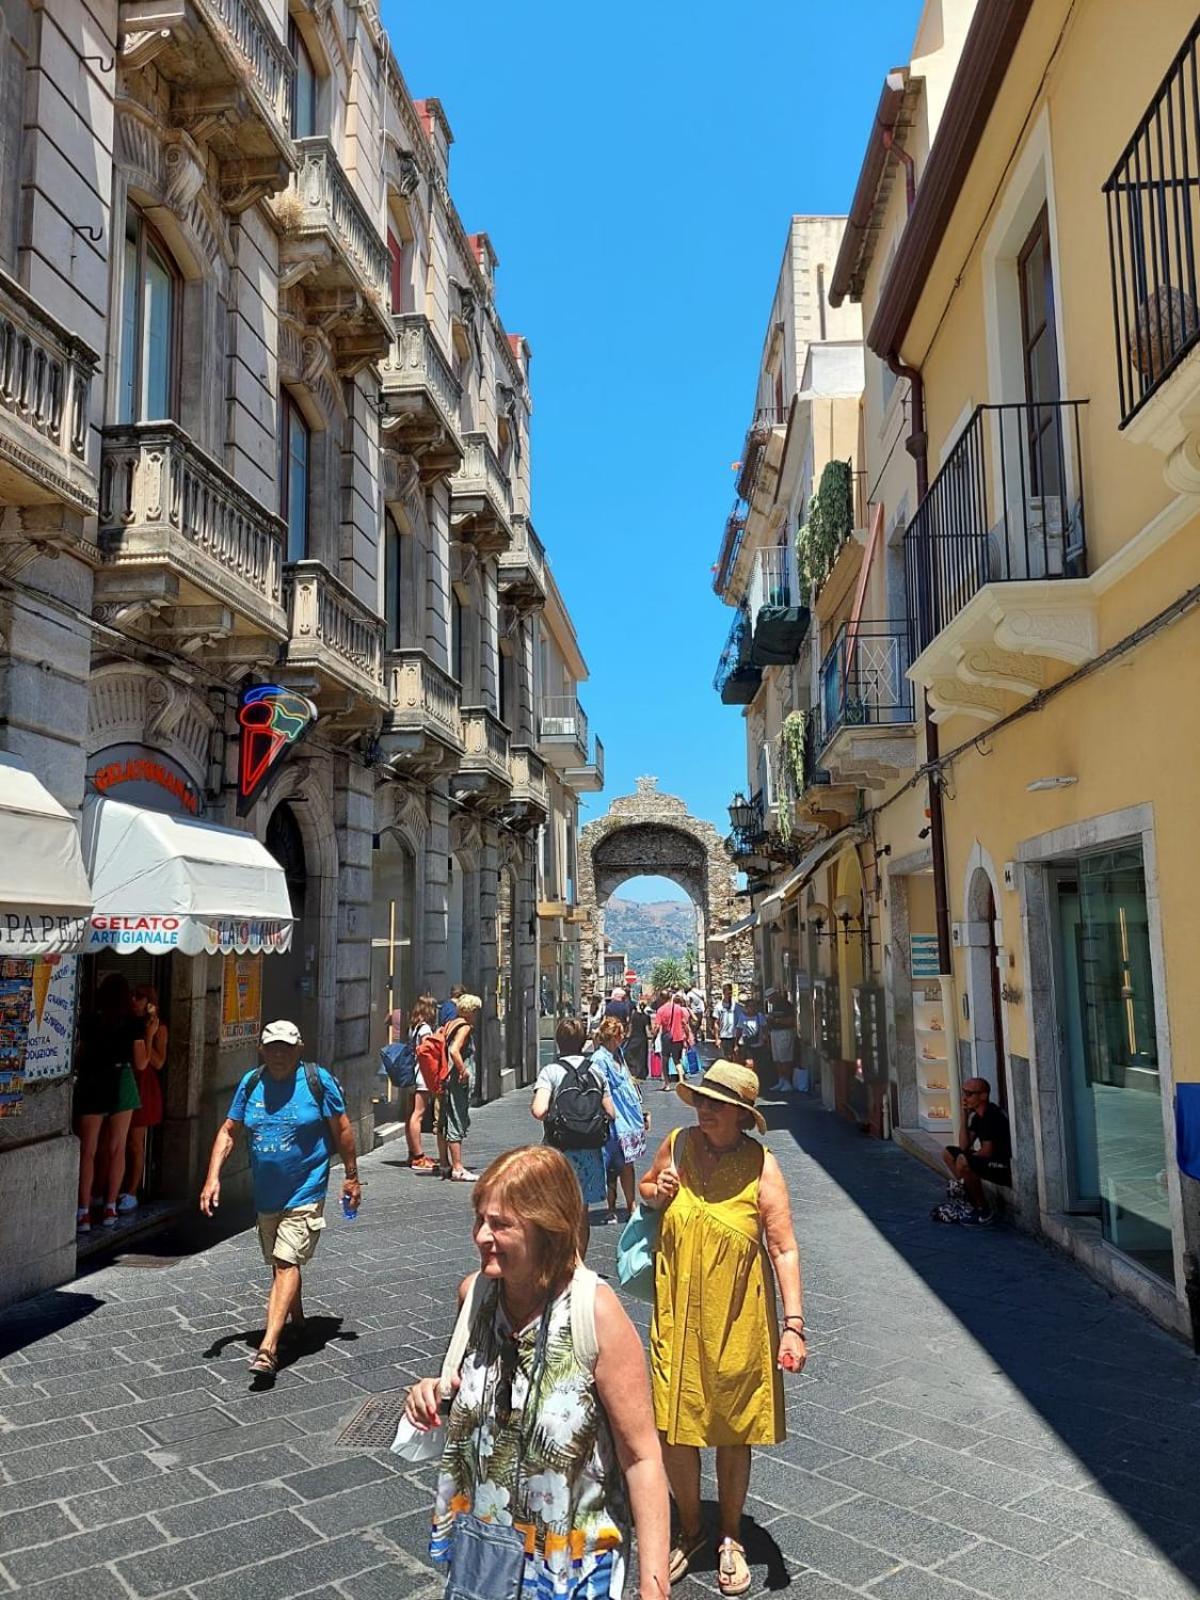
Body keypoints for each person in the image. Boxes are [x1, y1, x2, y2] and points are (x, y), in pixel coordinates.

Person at [404, 1146, 670, 1600]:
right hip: (483, 1555)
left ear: (547, 1228)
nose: (482, 1236)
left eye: (501, 1224)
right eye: (480, 1220)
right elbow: (470, 1392)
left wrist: (654, 1587)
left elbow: (642, 1458)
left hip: (569, 1569)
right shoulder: (476, 1296)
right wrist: (429, 1393)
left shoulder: (594, 1313)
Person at [639, 1060, 806, 1596]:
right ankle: (690, 1528)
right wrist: (655, 1190)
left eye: (714, 1103)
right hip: (676, 1308)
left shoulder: (762, 1164)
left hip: (738, 1312)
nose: (702, 1108)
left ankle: (730, 1535)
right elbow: (645, 1190)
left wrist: (794, 1326)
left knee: (734, 1423)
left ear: (739, 1114)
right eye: (702, 1100)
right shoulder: (679, 1143)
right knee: (671, 1420)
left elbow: (782, 1247)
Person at [199, 1019, 361, 1379]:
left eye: (285, 1047)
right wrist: (212, 1178)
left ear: (298, 1049)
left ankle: (269, 1348)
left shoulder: (317, 1081)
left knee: (286, 1261)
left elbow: (343, 1129)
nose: (278, 1054)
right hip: (267, 1193)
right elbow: (229, 1131)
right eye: (271, 1046)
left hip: (306, 1187)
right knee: (280, 1262)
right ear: (261, 1049)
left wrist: (351, 1177)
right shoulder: (251, 1083)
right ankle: (298, 1319)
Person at [532, 1017, 617, 1256]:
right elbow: (611, 1112)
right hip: (589, 1150)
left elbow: (538, 1110)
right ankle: (578, 1262)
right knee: (582, 1211)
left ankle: (557, 1260)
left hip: (560, 1150)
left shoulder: (551, 1071)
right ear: (584, 1041)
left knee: (556, 1206)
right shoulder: (597, 1071)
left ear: (558, 1042)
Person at [74, 973, 146, 1232]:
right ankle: (110, 1207)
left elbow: (80, 1052)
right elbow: (142, 1063)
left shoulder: (89, 1019)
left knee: (88, 1150)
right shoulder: (134, 1023)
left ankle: (83, 1211)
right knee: (118, 1148)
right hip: (121, 1077)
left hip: (93, 1080)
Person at [592, 1015, 647, 1224]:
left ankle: (631, 1203)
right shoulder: (600, 1058)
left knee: (627, 1162)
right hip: (614, 1115)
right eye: (621, 1034)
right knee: (612, 1163)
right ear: (613, 1036)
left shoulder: (619, 1054)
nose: (624, 1037)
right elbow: (599, 1088)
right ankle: (611, 1206)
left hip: (629, 1115)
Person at [936, 1078, 1013, 1225]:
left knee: (963, 1161)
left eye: (969, 1094)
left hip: (1002, 1165)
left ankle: (983, 1209)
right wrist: (965, 1115)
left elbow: (987, 1151)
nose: (965, 1098)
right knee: (949, 1153)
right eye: (964, 1093)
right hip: (989, 1160)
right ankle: (970, 1200)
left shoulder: (992, 1115)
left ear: (983, 1096)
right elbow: (964, 1145)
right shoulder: (978, 1116)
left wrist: (966, 1160)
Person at [119, 984, 168, 1211]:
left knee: (135, 1142)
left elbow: (157, 1062)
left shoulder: (158, 1029)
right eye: (132, 995)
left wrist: (148, 1036)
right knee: (118, 1140)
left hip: (144, 1085)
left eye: (139, 997)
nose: (134, 1000)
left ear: (150, 1003)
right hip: (125, 1079)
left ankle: (132, 1191)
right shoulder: (126, 1023)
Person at [437, 994, 481, 1182]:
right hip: (456, 1081)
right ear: (471, 1011)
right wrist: (463, 1071)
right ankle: (458, 1167)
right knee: (456, 1119)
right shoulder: (464, 1027)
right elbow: (454, 1050)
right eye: (477, 1011)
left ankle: (444, 1163)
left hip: (447, 1079)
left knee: (444, 1122)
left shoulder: (451, 1024)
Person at [403, 996, 438, 1171]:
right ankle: (418, 1157)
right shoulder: (425, 1029)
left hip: (412, 1074)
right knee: (418, 1114)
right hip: (422, 1075)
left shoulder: (414, 1027)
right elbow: (426, 1052)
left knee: (411, 1115)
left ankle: (413, 1152)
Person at [653, 991, 690, 1091]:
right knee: (677, 1061)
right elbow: (684, 1023)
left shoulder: (660, 1010)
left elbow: (656, 1026)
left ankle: (667, 1084)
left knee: (665, 1060)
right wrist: (688, 1036)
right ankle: (681, 1081)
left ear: (661, 998)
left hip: (666, 1037)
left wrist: (654, 1036)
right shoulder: (678, 1008)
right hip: (678, 1037)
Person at [713, 983, 747, 1054]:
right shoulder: (718, 1007)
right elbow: (716, 1023)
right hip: (724, 1036)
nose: (729, 995)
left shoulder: (738, 1006)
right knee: (727, 1058)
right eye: (727, 992)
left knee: (737, 1058)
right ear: (724, 992)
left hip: (736, 1037)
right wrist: (717, 1038)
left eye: (730, 993)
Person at [625, 997, 651, 1080]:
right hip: (642, 1038)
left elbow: (630, 1027)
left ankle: (633, 1071)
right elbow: (647, 1030)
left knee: (630, 1054)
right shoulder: (646, 1017)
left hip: (634, 1037)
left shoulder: (633, 1015)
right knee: (642, 1056)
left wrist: (627, 1036)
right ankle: (641, 1073)